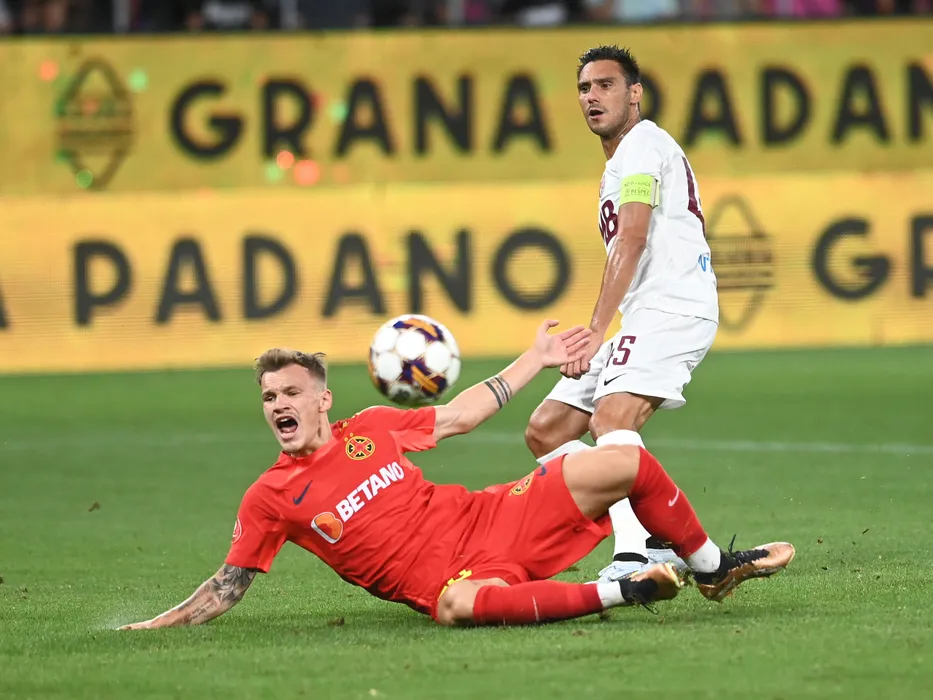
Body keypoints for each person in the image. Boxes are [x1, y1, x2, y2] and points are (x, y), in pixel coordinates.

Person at [119, 321, 793, 631]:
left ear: (322, 399)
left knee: (624, 460)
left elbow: (462, 416)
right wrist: (155, 626)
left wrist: (536, 356)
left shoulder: (372, 427)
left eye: (291, 393)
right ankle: (625, 591)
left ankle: (711, 568)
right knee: (457, 609)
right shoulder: (269, 497)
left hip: (495, 515)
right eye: (269, 397)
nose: (278, 406)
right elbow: (228, 585)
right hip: (452, 581)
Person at [524, 45, 720, 584]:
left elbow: (631, 239)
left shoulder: (643, 145)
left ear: (635, 93)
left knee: (611, 420)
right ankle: (652, 538)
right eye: (584, 88)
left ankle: (635, 555)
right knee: (548, 429)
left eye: (606, 85)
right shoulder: (621, 162)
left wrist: (595, 331)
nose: (592, 97)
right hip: (646, 314)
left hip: (673, 307)